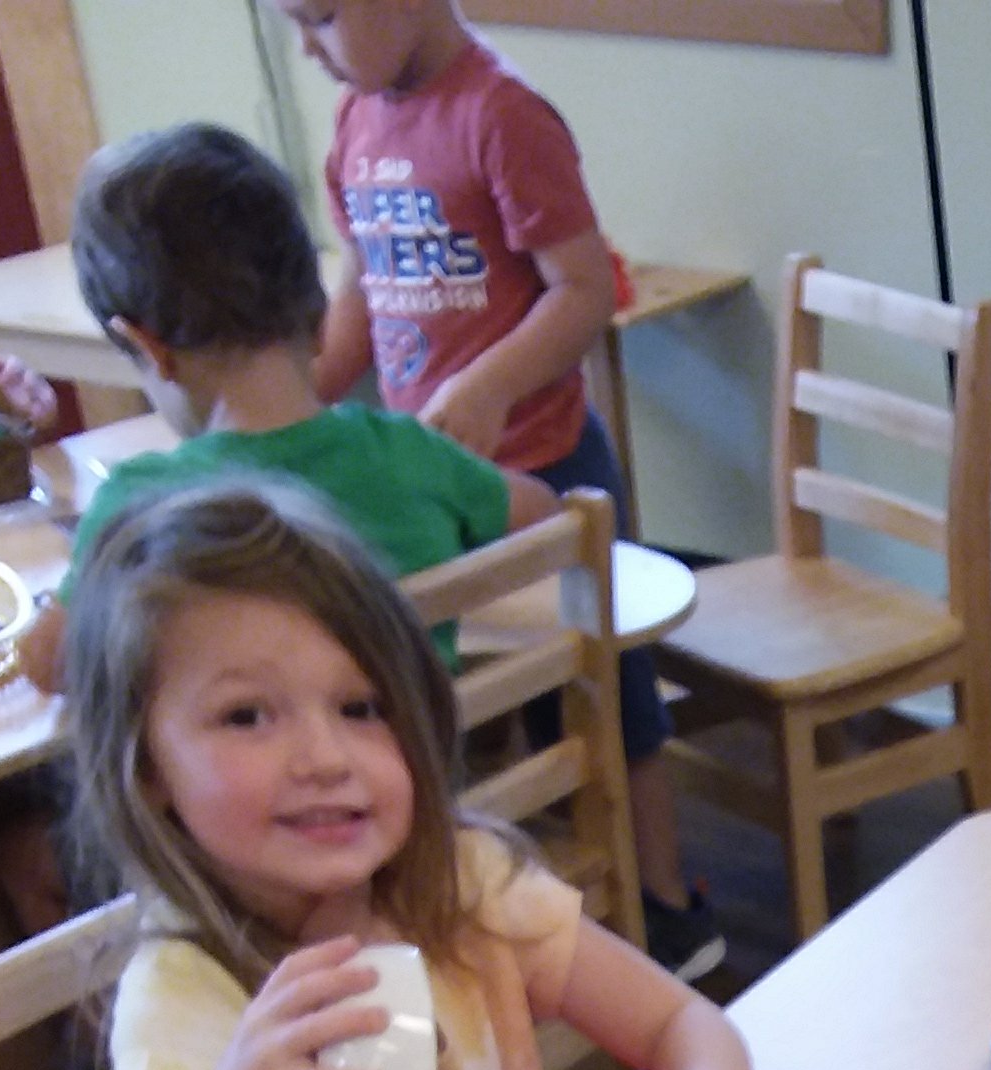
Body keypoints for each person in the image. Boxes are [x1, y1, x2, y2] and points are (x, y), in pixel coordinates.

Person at [63, 476, 765, 1070]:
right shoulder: (181, 1013)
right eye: (247, 716)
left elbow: (687, 1025)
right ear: (148, 769)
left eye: (360, 708)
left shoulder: (463, 887)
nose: (324, 758)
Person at [277, 0, 725, 980]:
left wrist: (488, 387)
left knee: (606, 701)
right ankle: (540, 916)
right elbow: (362, 286)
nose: (308, 48)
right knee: (469, 698)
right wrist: (297, 397)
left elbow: (583, 290)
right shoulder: (357, 123)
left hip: (547, 468)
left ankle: (664, 906)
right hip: (436, 489)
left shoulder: (501, 113)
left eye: (321, 17)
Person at [16, 120, 555, 699]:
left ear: (150, 349)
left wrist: (62, 587)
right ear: (320, 319)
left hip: (263, 762)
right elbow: (545, 516)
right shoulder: (410, 453)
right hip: (411, 753)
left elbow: (49, 664)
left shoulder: (139, 507)